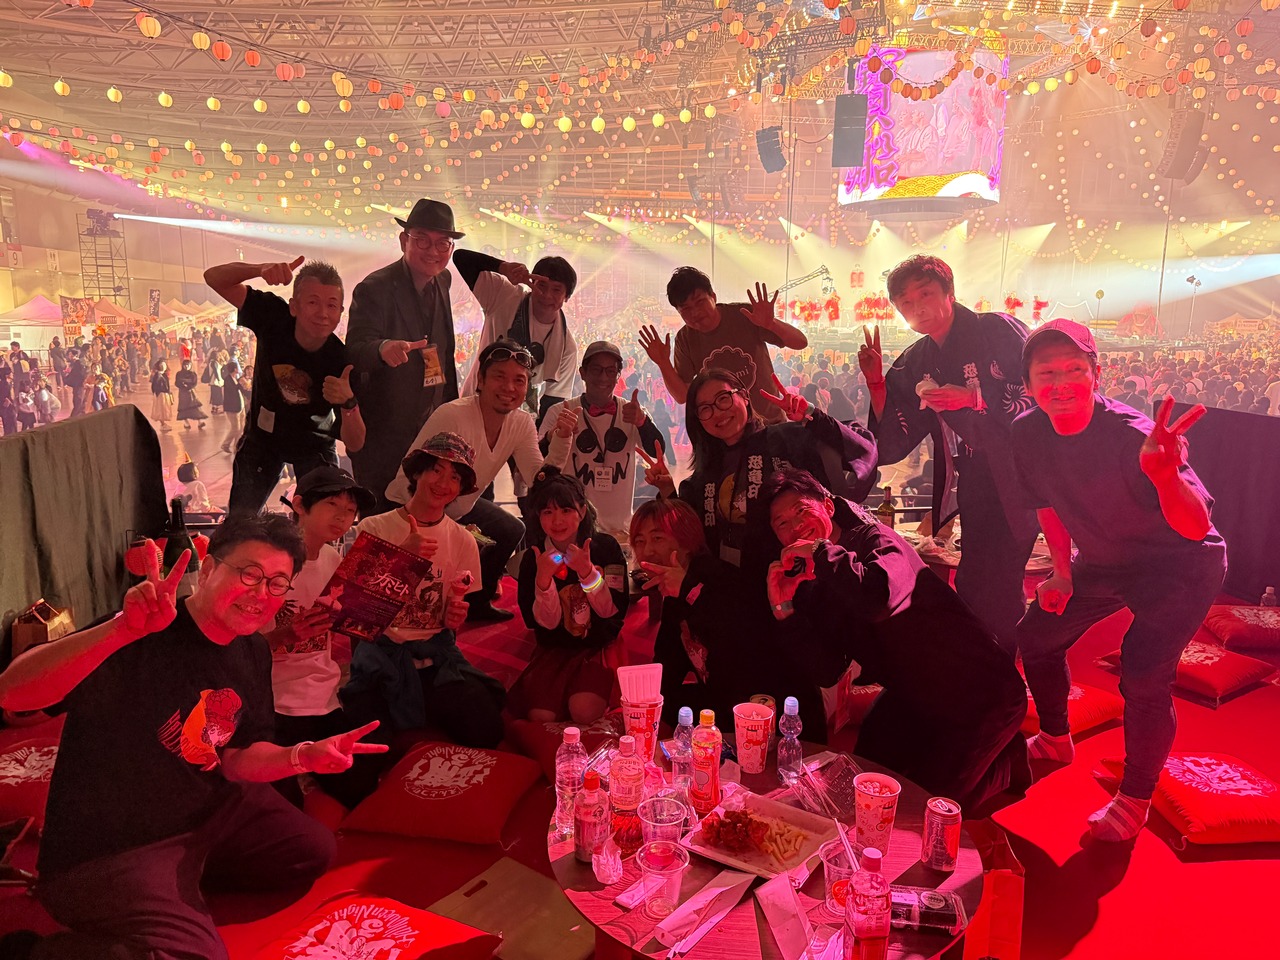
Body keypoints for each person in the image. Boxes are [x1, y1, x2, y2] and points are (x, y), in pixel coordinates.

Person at [0, 514, 386, 960]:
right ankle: (38, 952)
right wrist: (118, 630)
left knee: (311, 851)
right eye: (249, 574)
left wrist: (303, 756)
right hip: (118, 845)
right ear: (208, 569)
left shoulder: (252, 648)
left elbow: (238, 755)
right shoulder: (141, 629)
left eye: (277, 583)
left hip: (210, 813)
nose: (261, 593)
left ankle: (184, 882)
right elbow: (13, 693)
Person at [1012, 319, 1227, 842]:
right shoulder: (1027, 432)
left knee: (1144, 673)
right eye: (1047, 373)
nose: (1061, 383)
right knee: (1036, 636)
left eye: (1074, 369)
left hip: (1179, 565)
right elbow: (1046, 504)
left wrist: (1165, 476)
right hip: (1105, 560)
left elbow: (1196, 527)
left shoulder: (1133, 435)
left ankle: (1135, 796)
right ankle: (1055, 737)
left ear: (1097, 374)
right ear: (1028, 384)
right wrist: (1062, 572)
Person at [761, 468, 1029, 813]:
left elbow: (879, 601)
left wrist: (820, 551)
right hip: (911, 694)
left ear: (827, 506)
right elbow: (827, 670)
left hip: (979, 694)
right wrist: (784, 610)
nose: (795, 526)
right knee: (862, 786)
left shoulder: (877, 540)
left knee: (932, 809)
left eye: (801, 510)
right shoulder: (812, 584)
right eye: (782, 523)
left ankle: (1007, 763)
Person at [859, 254, 1038, 654]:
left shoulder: (997, 329)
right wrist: (876, 384)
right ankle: (990, 660)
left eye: (925, 294)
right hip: (974, 477)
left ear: (949, 293)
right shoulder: (915, 360)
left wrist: (974, 398)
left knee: (999, 579)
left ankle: (1003, 663)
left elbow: (1039, 388)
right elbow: (895, 434)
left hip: (1017, 475)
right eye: (906, 302)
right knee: (975, 578)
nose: (917, 307)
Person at [386, 340, 571, 622]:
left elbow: (539, 479)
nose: (509, 387)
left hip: (459, 505)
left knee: (510, 529)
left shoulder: (521, 423)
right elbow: (418, 481)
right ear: (480, 380)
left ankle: (477, 603)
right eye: (499, 376)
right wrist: (450, 529)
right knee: (415, 596)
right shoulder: (453, 415)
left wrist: (562, 439)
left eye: (519, 380)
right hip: (410, 506)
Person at [345, 433, 506, 751]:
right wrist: (402, 557)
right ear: (417, 472)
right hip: (381, 657)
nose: (444, 483)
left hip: (436, 659)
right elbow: (353, 613)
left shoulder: (463, 540)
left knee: (487, 728)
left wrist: (453, 616)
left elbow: (452, 611)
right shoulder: (373, 528)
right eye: (436, 470)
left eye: (455, 477)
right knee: (364, 754)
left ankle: (421, 703)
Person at [643, 367, 875, 575]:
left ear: (744, 396)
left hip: (798, 579)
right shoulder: (706, 472)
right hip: (731, 590)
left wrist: (812, 416)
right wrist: (666, 489)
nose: (718, 412)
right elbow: (691, 533)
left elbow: (861, 447)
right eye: (705, 408)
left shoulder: (787, 439)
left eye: (723, 398)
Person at [630, 498, 826, 740]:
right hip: (725, 701)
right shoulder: (673, 595)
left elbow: (741, 658)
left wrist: (689, 591)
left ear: (686, 541)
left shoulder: (725, 580)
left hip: (777, 711)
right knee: (661, 702)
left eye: (657, 538)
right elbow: (667, 668)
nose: (647, 551)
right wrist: (640, 710)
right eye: (639, 541)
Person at [203, 256, 366, 516]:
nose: (323, 313)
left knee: (322, 522)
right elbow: (213, 277)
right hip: (262, 439)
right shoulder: (273, 316)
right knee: (241, 521)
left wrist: (349, 403)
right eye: (313, 302)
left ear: (340, 314)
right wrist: (259, 269)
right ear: (293, 307)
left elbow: (355, 443)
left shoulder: (342, 361)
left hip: (315, 446)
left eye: (331, 305)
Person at [345, 199, 464, 511]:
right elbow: (354, 350)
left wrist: (451, 414)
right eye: (422, 239)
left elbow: (445, 353)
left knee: (423, 522)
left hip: (430, 435)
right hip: (384, 436)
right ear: (403, 240)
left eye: (442, 243)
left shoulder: (443, 280)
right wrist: (382, 348)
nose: (433, 250)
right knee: (381, 522)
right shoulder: (375, 288)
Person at [268, 466, 376, 807]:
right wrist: (285, 635)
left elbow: (352, 624)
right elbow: (235, 647)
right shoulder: (270, 563)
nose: (342, 517)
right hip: (274, 701)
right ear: (300, 505)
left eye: (350, 510)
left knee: (362, 784)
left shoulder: (332, 558)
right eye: (332, 504)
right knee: (279, 803)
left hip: (323, 696)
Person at [509, 469, 627, 724]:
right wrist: (543, 580)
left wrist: (587, 573)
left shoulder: (605, 547)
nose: (557, 520)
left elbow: (611, 611)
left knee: (584, 711)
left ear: (582, 511)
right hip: (554, 646)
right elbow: (544, 624)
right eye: (547, 512)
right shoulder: (534, 558)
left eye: (566, 510)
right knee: (541, 717)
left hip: (596, 644)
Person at [638, 267, 808, 423]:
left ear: (713, 297)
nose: (695, 313)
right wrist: (663, 363)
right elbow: (682, 396)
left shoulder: (745, 316)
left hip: (769, 423)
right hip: (725, 431)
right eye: (686, 309)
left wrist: (771, 324)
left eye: (700, 302)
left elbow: (800, 342)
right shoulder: (685, 339)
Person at [538, 341, 665, 540]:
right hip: (573, 530)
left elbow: (657, 450)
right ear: (583, 373)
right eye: (596, 369)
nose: (603, 377)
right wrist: (555, 435)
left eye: (610, 371)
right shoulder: (560, 412)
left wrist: (642, 422)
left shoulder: (631, 412)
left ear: (618, 375)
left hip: (620, 530)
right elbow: (539, 463)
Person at [455, 248, 580, 423]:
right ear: (531, 282)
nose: (546, 295)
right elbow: (461, 258)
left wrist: (537, 435)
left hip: (517, 423)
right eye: (541, 285)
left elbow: (553, 400)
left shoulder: (566, 347)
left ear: (567, 296)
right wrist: (503, 267)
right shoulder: (505, 296)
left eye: (556, 290)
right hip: (474, 406)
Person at [174, 358, 208, 430]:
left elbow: (194, 383)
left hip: (191, 392)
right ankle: (186, 423)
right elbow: (176, 383)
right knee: (183, 407)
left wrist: (188, 387)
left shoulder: (193, 374)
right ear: (183, 365)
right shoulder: (179, 374)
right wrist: (183, 386)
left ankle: (199, 422)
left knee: (195, 406)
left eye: (188, 365)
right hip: (183, 393)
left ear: (190, 365)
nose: (186, 366)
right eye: (185, 365)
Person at [149, 359, 173, 430]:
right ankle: (162, 424)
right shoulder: (158, 376)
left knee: (164, 409)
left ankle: (163, 424)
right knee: (161, 409)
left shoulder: (163, 375)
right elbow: (155, 386)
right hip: (160, 395)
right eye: (162, 365)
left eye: (164, 365)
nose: (163, 367)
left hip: (164, 394)